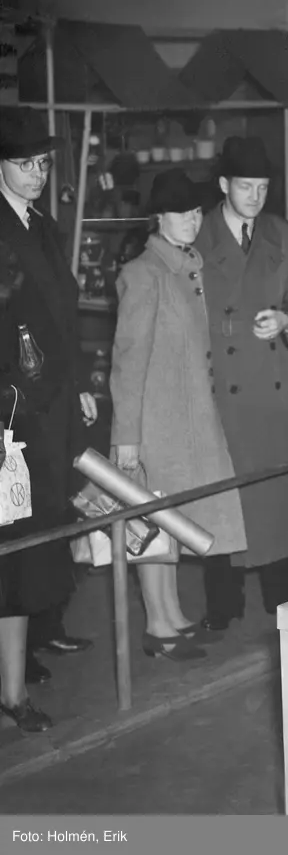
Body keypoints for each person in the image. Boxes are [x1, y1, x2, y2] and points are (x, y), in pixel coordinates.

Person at [109, 169, 248, 660]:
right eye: (181, 212)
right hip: (155, 423)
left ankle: (172, 614)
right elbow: (127, 361)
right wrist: (127, 436)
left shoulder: (189, 263)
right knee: (153, 524)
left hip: (189, 419)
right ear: (159, 218)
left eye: (195, 212)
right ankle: (157, 626)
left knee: (171, 522)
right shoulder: (144, 273)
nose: (192, 220)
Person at [191, 137, 288, 631]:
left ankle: (279, 588)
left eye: (263, 188)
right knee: (222, 494)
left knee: (274, 490)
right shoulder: (196, 233)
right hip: (219, 384)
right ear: (224, 185)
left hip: (271, 385)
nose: (255, 197)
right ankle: (222, 601)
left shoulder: (283, 236)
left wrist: (287, 320)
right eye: (246, 187)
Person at [0, 109, 94, 731]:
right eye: (23, 163)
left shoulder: (44, 226)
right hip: (12, 412)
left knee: (44, 531)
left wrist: (80, 381)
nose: (36, 174)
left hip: (49, 406)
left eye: (42, 163)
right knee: (16, 546)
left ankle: (31, 648)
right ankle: (12, 691)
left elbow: (64, 316)